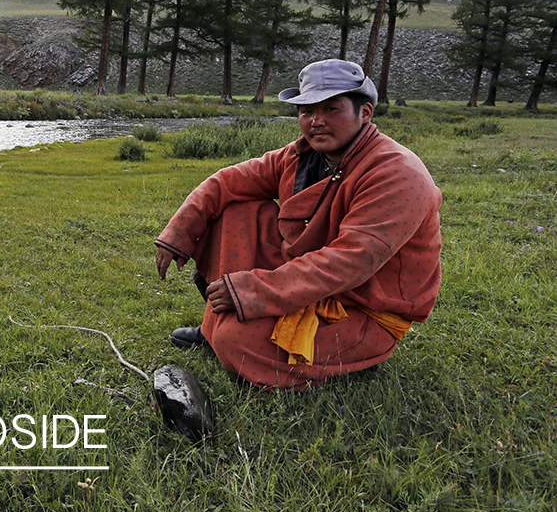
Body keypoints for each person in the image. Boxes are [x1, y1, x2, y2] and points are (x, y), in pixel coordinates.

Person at [154, 59, 442, 390]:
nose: (316, 121)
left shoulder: (397, 173)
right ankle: (215, 326)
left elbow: (349, 262)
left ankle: (347, 358)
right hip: (306, 282)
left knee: (236, 341)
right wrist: (178, 232)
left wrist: (251, 289)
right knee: (235, 208)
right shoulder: (302, 155)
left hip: (359, 307)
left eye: (331, 108)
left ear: (365, 113)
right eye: (306, 111)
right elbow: (228, 181)